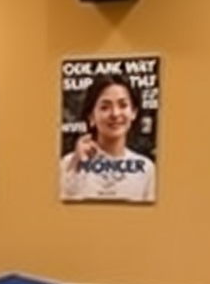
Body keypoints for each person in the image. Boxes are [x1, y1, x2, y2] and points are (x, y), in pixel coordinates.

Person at [60, 74, 156, 202]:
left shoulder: (146, 168)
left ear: (134, 112)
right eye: (105, 107)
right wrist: (75, 170)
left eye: (123, 105)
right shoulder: (68, 163)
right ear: (91, 117)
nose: (115, 114)